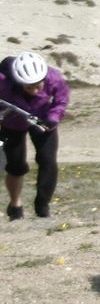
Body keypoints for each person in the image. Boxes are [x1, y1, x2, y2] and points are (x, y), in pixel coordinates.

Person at [1, 51, 69, 220]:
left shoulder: (53, 77)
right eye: (29, 87)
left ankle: (42, 206)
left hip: (43, 122)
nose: (34, 91)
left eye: (38, 86)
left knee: (48, 161)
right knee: (16, 165)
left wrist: (53, 118)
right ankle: (15, 205)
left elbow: (61, 100)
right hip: (12, 123)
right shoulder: (3, 82)